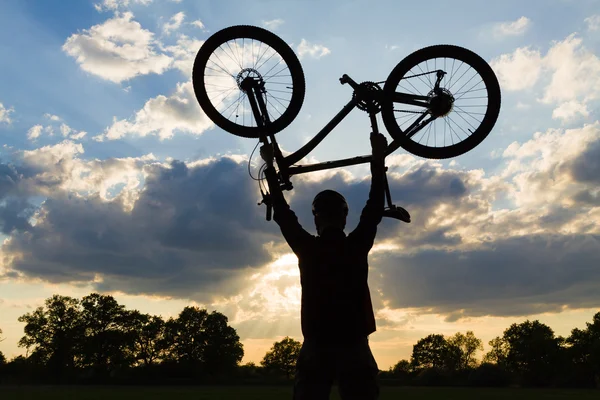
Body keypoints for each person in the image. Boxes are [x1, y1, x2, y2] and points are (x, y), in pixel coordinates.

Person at [261, 132, 388, 400]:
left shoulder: (307, 249)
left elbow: (283, 214)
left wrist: (271, 167)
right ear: (344, 217)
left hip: (316, 347)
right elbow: (374, 207)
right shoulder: (356, 245)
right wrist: (378, 158)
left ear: (316, 218)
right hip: (354, 346)